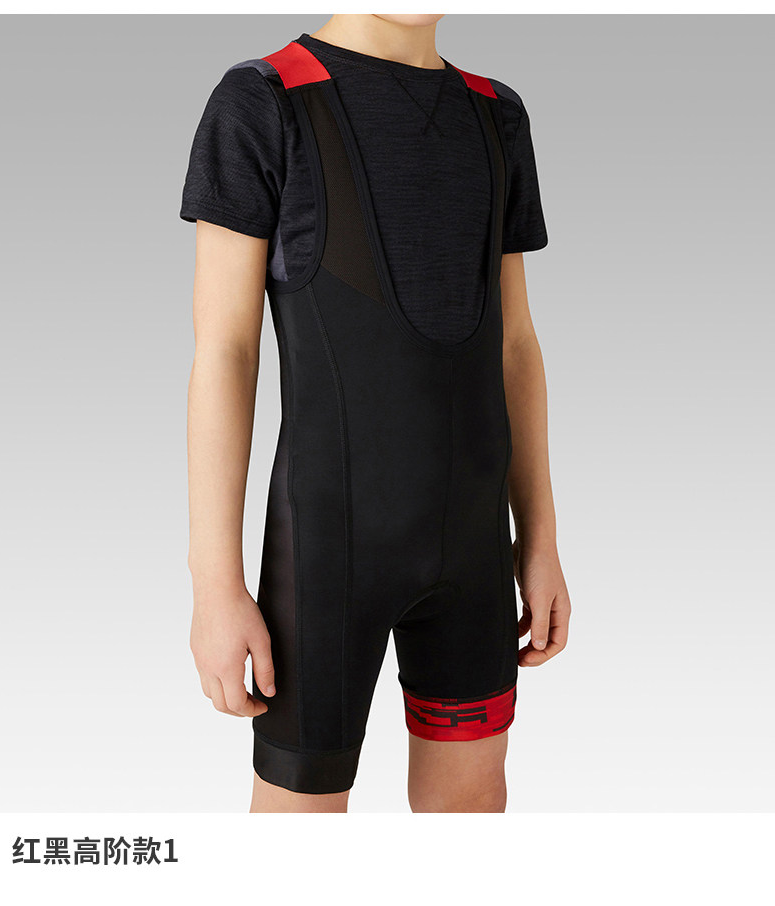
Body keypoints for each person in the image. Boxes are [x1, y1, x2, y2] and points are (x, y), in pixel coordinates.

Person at [180, 13, 571, 813]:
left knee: (472, 814)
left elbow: (515, 346)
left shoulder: (494, 111)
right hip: (327, 555)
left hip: (474, 551)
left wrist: (540, 541)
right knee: (300, 832)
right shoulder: (265, 99)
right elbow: (225, 353)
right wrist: (215, 581)